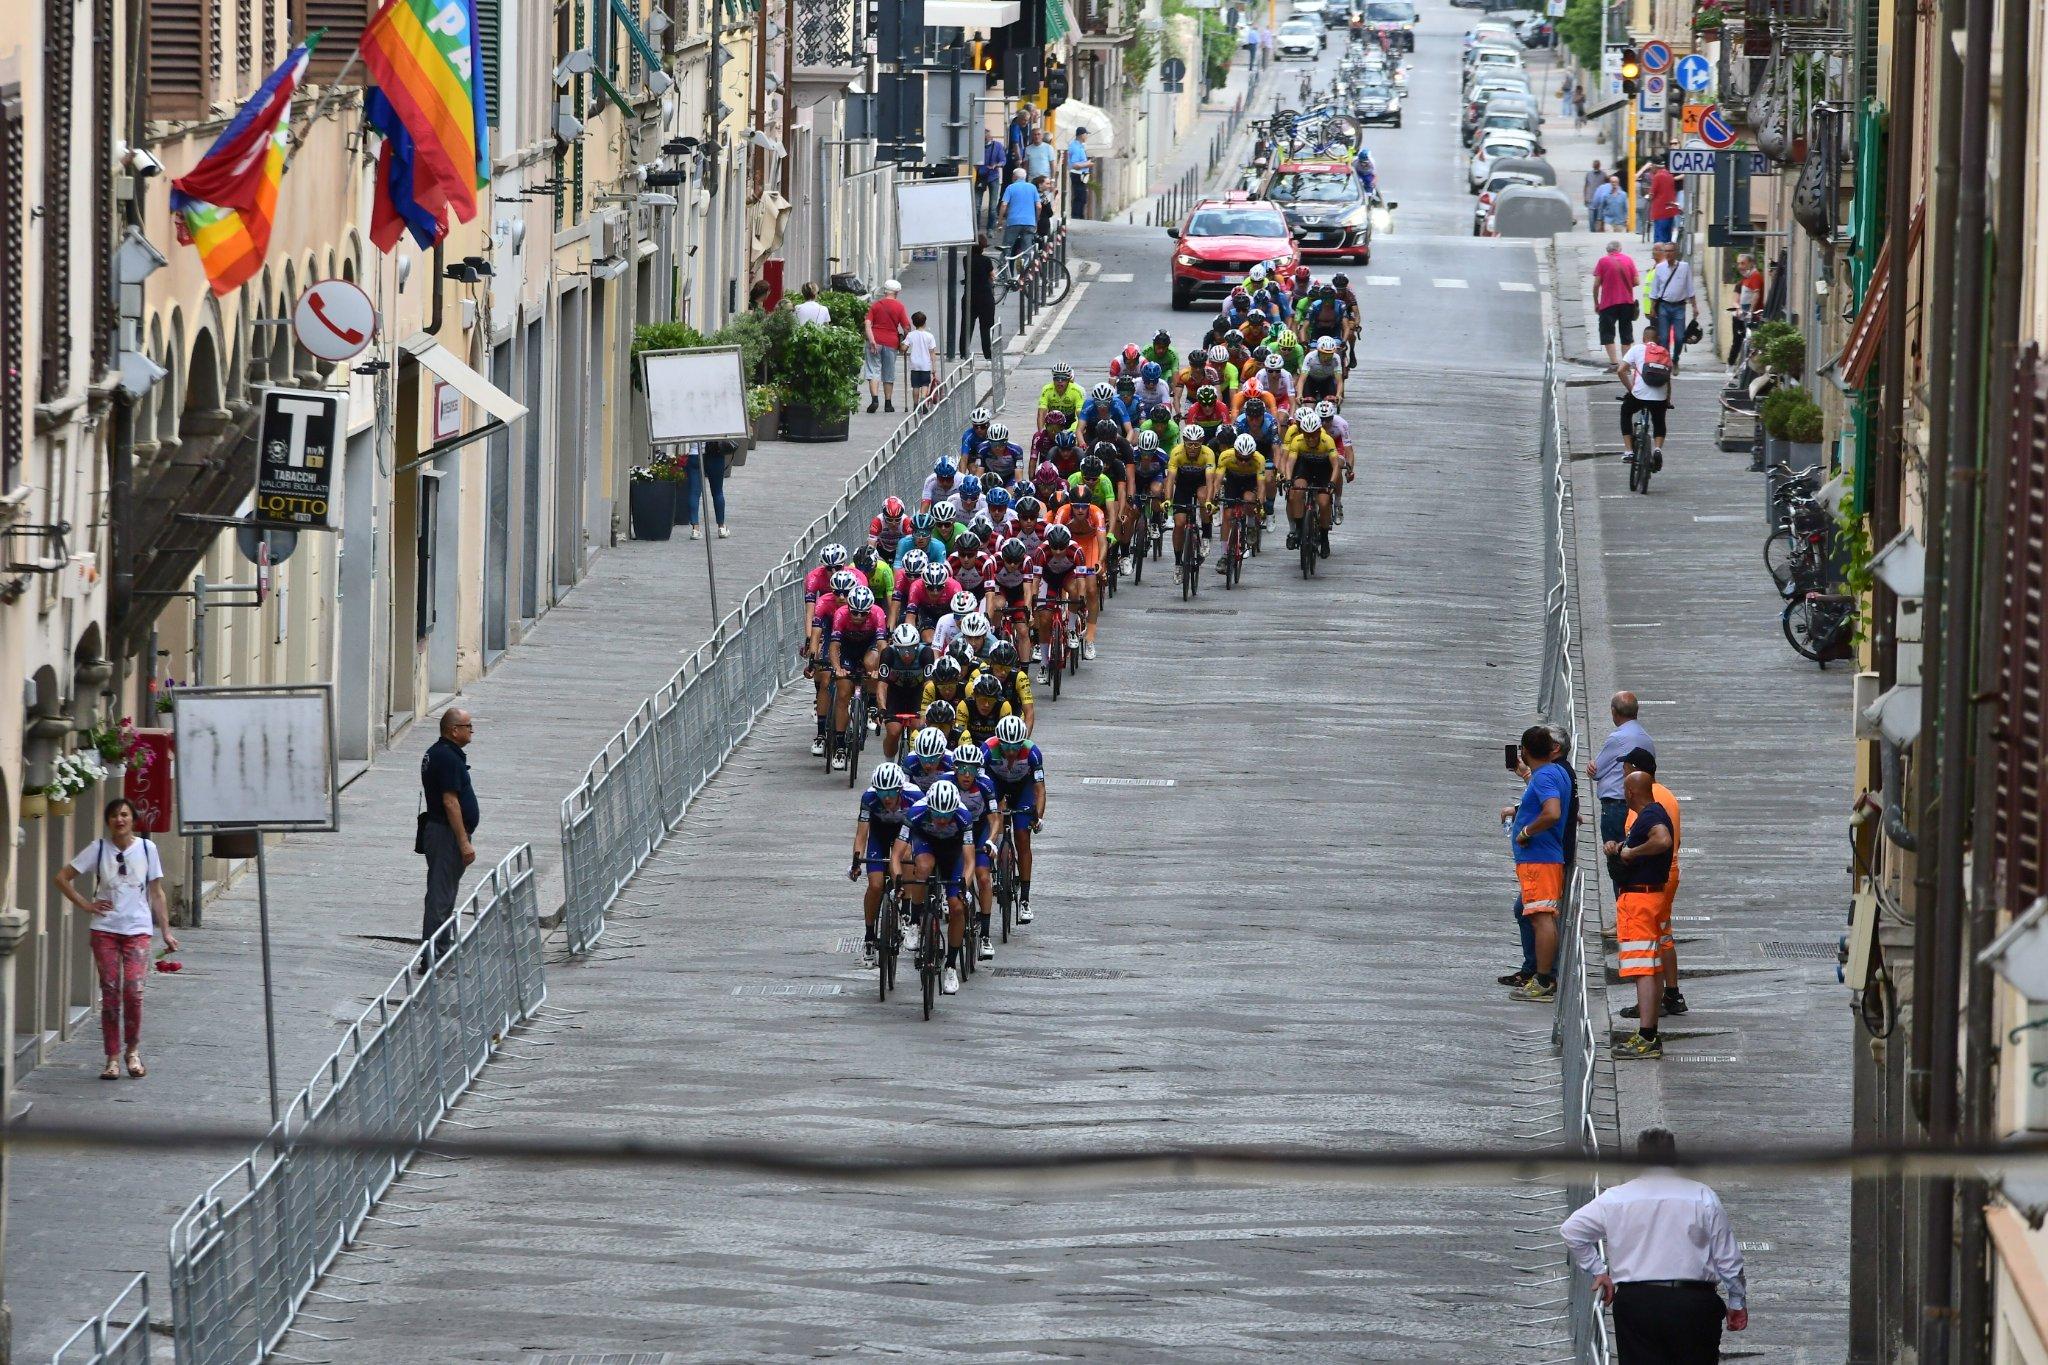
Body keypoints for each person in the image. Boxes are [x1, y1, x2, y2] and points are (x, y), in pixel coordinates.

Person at [1561, 1128, 1749, 1361]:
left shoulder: (1617, 1198)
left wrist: (1598, 1270)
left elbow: (1571, 1230)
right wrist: (1736, 1301)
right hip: (1692, 1303)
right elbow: (1728, 1258)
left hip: (1638, 1304)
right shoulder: (1701, 1195)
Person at [55, 798, 175, 1080]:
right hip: (105, 930)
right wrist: (86, 905)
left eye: (124, 815)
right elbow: (62, 877)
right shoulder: (98, 849)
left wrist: (166, 931)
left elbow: (157, 892)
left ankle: (132, 1051)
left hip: (138, 929)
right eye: (113, 816)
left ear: (133, 819)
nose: (119, 820)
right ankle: (111, 1058)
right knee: (110, 993)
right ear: (108, 821)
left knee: (133, 991)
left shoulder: (147, 848)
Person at [1605, 770, 1675, 1058]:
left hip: (1640, 902)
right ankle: (1649, 1032)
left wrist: (1631, 854)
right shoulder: (1652, 813)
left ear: (1631, 792)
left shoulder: (1649, 815)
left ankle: (1647, 1036)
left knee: (1643, 969)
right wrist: (1621, 847)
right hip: (1650, 897)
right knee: (1652, 966)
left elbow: (1663, 840)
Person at [1619, 746, 1688, 1020]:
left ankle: (1651, 1004)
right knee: (1664, 935)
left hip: (1652, 881)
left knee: (1649, 944)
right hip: (1669, 872)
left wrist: (1630, 852)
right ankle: (1671, 992)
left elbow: (1657, 839)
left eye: (1625, 769)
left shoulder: (1647, 804)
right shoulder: (1666, 795)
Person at [1502, 725, 1569, 1002]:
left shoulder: (1544, 778)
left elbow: (1552, 812)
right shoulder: (1556, 772)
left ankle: (1543, 980)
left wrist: (1526, 831)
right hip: (1545, 857)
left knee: (1541, 918)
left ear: (1525, 751)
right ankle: (1543, 975)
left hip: (1539, 858)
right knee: (1535, 913)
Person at [417, 708, 479, 950]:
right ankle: (434, 954)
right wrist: (463, 842)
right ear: (454, 730)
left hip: (441, 831)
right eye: (468, 726)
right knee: (440, 895)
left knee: (443, 891)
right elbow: (450, 802)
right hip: (446, 834)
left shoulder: (440, 753)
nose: (472, 730)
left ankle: (439, 947)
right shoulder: (447, 758)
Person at [1589, 690, 1655, 886]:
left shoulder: (1617, 738)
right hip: (1637, 804)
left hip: (1615, 806)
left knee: (1616, 861)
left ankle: (1623, 906)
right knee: (1633, 858)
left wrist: (1592, 766)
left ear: (1613, 712)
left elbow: (1597, 771)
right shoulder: (1646, 738)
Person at [1617, 328, 1672, 466]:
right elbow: (1668, 379)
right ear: (1657, 339)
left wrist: (1631, 389)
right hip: (1660, 396)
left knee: (1626, 412)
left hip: (1639, 394)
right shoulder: (1664, 352)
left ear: (1643, 338)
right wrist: (1667, 399)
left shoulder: (1636, 349)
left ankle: (1629, 451)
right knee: (1659, 420)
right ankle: (1658, 449)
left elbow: (1620, 370)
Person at [863, 279, 912, 413]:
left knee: (873, 370)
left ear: (885, 291)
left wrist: (872, 339)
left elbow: (867, 323)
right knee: (888, 372)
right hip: (891, 341)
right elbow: (907, 327)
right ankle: (888, 404)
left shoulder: (875, 305)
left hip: (875, 340)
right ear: (897, 292)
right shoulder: (899, 307)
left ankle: (874, 399)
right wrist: (904, 341)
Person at [1647, 241, 1697, 370]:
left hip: (1679, 307)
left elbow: (1690, 288)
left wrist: (1694, 306)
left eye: (1670, 251)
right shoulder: (1660, 268)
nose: (1668, 254)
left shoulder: (1684, 267)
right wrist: (1652, 308)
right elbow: (1655, 290)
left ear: (1676, 253)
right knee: (1663, 338)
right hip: (1664, 306)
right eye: (1666, 251)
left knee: (1679, 337)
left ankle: (1675, 359)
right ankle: (1666, 361)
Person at [1594, 241, 1641, 367]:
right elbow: (1637, 281)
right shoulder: (1628, 260)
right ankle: (1625, 364)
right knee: (1626, 332)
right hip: (1626, 302)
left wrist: (1596, 302)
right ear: (1620, 249)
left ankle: (1614, 363)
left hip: (1608, 303)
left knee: (1607, 332)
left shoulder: (1602, 261)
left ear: (1608, 250)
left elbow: (1596, 284)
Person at [681, 439, 732, 539]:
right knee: (717, 492)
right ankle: (721, 527)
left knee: (694, 493)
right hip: (715, 453)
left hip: (695, 454)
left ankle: (695, 529)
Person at [964, 234, 998, 360]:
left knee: (967, 325)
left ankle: (964, 352)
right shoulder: (986, 261)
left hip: (970, 296)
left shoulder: (966, 259)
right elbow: (992, 275)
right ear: (983, 248)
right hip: (985, 297)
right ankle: (988, 355)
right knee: (986, 327)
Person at [1731, 251, 1765, 363]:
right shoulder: (1746, 278)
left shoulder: (1755, 276)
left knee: (1748, 342)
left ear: (1750, 263)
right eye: (1738, 263)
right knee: (1742, 341)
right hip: (1744, 315)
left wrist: (1750, 312)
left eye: (1743, 263)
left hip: (1751, 316)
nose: (1740, 266)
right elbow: (1737, 300)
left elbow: (1756, 294)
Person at [1000, 167, 1041, 258]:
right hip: (1029, 222)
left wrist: (1000, 221)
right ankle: (1025, 271)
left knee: (1007, 248)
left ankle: (1004, 270)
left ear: (1014, 177)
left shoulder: (1010, 187)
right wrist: (1036, 221)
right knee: (1026, 250)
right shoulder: (1032, 188)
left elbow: (1004, 205)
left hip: (1013, 222)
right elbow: (1039, 206)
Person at [904, 311, 939, 407]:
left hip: (914, 365)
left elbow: (903, 348)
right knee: (924, 384)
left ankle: (915, 404)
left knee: (915, 386)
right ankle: (923, 401)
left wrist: (902, 340)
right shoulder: (929, 336)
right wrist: (934, 366)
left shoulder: (910, 335)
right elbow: (932, 352)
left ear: (913, 323)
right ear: (925, 322)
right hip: (925, 365)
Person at [1648, 155, 1681, 245]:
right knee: (1667, 238)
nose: (1651, 168)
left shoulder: (1657, 176)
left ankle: (1660, 257)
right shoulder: (1670, 175)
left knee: (1659, 239)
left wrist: (1649, 197)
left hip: (1660, 211)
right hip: (1670, 211)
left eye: (1651, 166)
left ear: (1655, 166)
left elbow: (1651, 195)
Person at [979, 128, 1008, 229]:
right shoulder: (977, 146)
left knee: (992, 207)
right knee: (977, 205)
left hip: (993, 177)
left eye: (986, 137)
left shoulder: (997, 146)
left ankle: (990, 228)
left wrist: (997, 165)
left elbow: (1003, 160)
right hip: (980, 177)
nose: (985, 139)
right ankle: (976, 229)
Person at [1066, 128, 1092, 220]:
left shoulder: (1080, 146)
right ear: (1082, 135)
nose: (1087, 136)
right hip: (1077, 174)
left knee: (1082, 197)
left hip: (1082, 174)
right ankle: (1077, 216)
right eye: (1086, 134)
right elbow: (1075, 164)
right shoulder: (1076, 147)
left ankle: (1079, 215)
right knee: (1079, 197)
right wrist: (1088, 164)